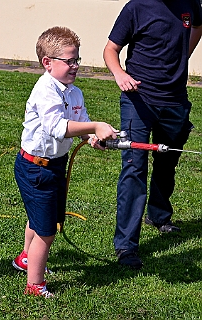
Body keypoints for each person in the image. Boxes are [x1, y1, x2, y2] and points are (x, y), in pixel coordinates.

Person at [12, 26, 118, 297]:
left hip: (54, 165)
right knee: (46, 232)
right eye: (69, 61)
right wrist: (96, 125)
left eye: (77, 59)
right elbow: (57, 128)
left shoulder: (74, 92)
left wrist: (93, 135)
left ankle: (25, 258)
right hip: (35, 167)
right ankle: (35, 285)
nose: (75, 66)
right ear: (47, 63)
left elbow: (80, 123)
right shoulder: (45, 91)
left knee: (39, 220)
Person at [103, 0, 202, 269]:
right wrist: (119, 73)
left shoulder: (191, 3)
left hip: (175, 100)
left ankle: (158, 216)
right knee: (134, 168)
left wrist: (185, 53)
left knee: (168, 160)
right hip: (138, 99)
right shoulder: (136, 7)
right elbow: (110, 49)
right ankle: (126, 247)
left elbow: (198, 24)